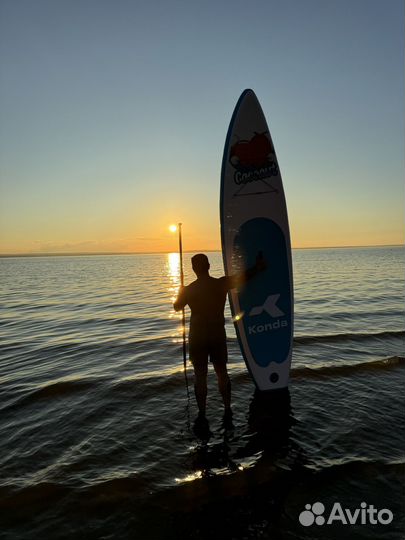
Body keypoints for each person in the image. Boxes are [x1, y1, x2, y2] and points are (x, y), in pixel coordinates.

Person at [173, 252, 265, 427]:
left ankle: (202, 412)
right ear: (208, 266)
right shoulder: (220, 284)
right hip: (216, 333)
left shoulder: (189, 289)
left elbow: (177, 307)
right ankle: (227, 408)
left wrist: (181, 291)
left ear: (193, 269)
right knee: (221, 372)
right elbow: (242, 278)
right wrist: (257, 267)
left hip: (197, 336)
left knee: (200, 375)